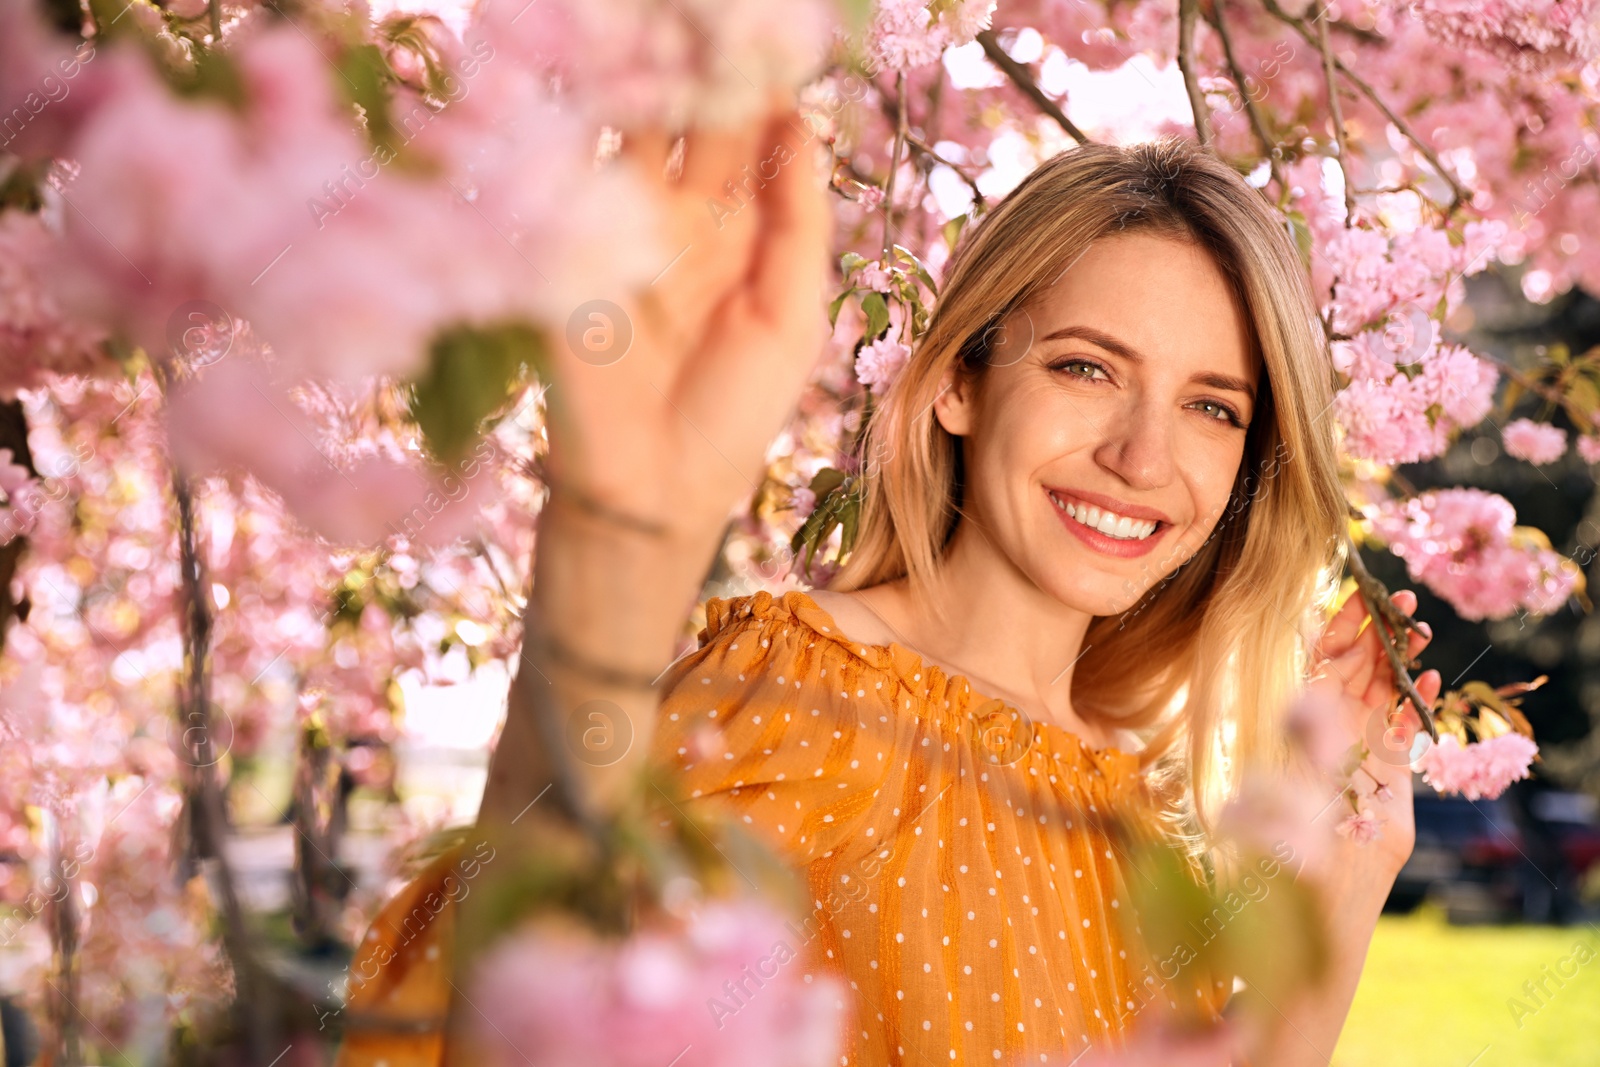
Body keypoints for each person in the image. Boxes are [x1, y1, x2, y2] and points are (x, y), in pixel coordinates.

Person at [333, 104, 1442, 1067]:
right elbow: (505, 1011)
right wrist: (615, 534)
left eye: (1213, 405)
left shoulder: (1126, 819)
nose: (1143, 458)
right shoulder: (796, 700)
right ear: (957, 380)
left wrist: (1350, 871)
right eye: (1085, 366)